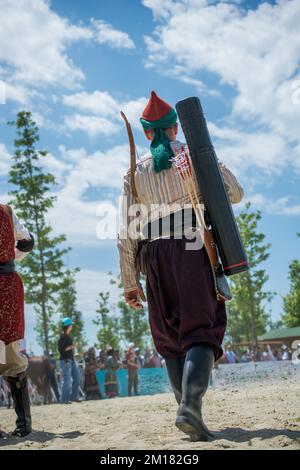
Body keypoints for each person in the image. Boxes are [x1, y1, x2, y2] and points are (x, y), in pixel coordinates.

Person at [118, 91, 244, 441]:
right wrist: (208, 160)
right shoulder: (192, 156)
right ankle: (189, 408)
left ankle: (187, 412)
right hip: (193, 248)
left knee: (170, 338)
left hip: (154, 255)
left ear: (146, 134)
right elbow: (235, 192)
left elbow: (126, 232)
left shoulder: (133, 172)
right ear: (175, 127)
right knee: (201, 329)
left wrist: (130, 281)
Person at [0, 204, 34, 438]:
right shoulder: (6, 212)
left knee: (8, 352)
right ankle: (23, 424)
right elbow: (27, 242)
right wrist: (12, 257)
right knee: (9, 352)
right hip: (7, 284)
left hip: (7, 286)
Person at [57, 317, 80, 404]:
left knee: (77, 377)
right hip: (65, 361)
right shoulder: (62, 337)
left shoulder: (67, 336)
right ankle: (64, 400)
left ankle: (73, 397)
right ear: (68, 326)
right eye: (71, 325)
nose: (72, 326)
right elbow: (62, 350)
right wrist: (72, 346)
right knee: (67, 380)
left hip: (71, 360)